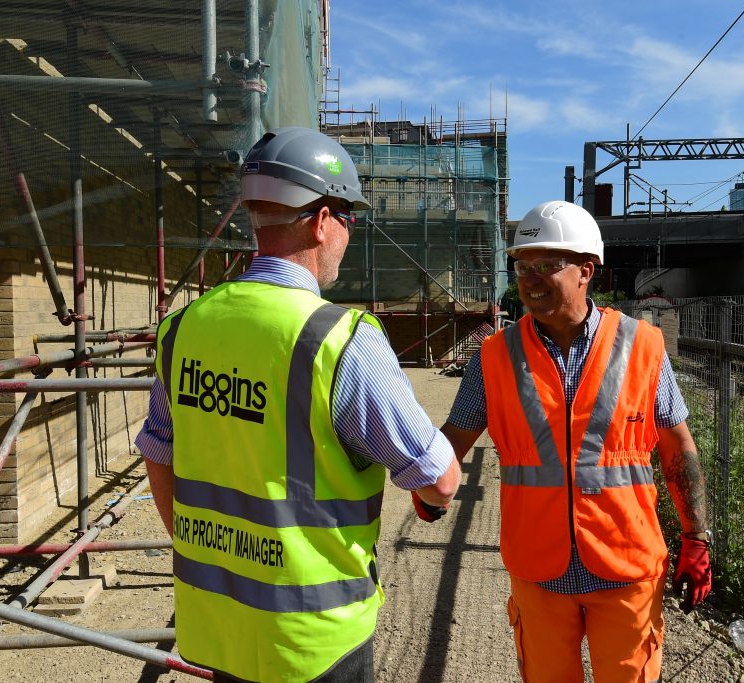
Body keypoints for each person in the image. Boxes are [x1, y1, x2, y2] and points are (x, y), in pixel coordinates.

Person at [135, 127, 461, 683]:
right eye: (347, 218)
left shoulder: (183, 326)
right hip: (314, 638)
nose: (348, 234)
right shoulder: (338, 338)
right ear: (319, 219)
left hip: (215, 625)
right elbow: (440, 480)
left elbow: (158, 456)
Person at [433, 200, 711, 683]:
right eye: (522, 266)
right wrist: (423, 479)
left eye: (546, 265)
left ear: (586, 270)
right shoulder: (494, 356)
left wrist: (697, 537)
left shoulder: (643, 345)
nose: (530, 278)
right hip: (539, 570)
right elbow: (455, 436)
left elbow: (676, 448)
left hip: (626, 565)